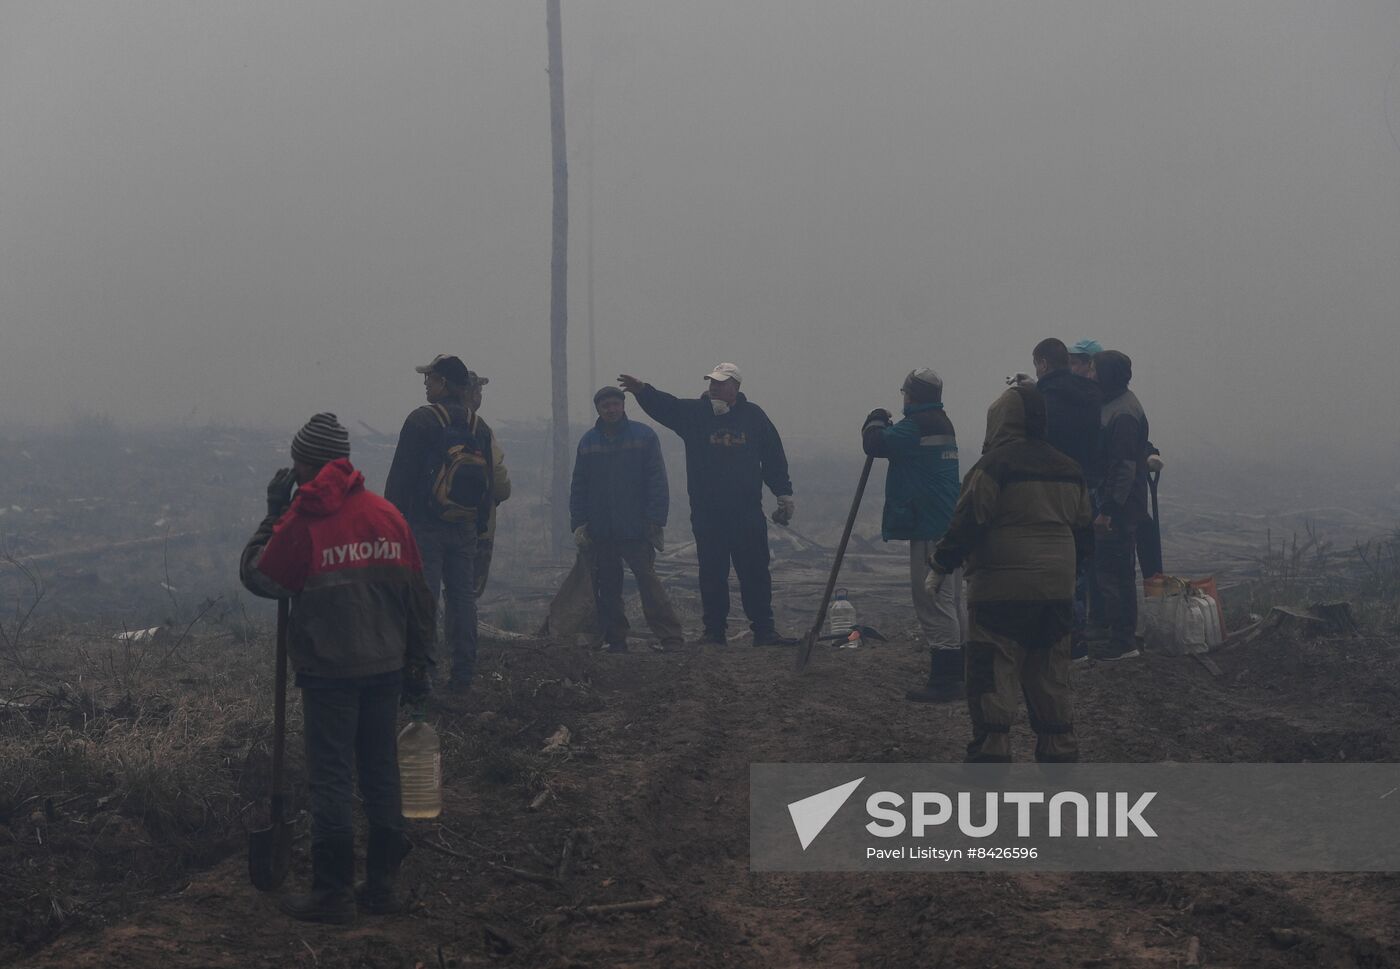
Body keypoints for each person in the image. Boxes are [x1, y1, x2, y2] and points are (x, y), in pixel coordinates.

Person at [240, 413, 434, 923]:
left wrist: (271, 515)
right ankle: (383, 888)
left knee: (330, 779)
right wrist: (419, 664)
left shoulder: (302, 520)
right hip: (387, 666)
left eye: (296, 460)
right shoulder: (388, 515)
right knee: (380, 772)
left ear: (305, 463)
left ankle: (333, 894)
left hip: (330, 672)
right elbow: (419, 598)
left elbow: (259, 575)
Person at [929, 387, 1092, 763]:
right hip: (1056, 589)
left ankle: (991, 752)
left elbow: (968, 520)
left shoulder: (993, 467)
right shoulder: (1069, 468)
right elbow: (1084, 533)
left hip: (1000, 589)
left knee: (993, 667)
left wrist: (941, 565)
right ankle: (1059, 751)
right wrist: (1067, 574)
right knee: (1050, 670)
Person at [618, 363, 797, 646]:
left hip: (747, 512)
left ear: (735, 387)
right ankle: (714, 632)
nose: (714, 386)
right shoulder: (695, 414)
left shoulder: (754, 416)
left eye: (722, 383)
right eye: (712, 382)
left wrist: (783, 493)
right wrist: (642, 391)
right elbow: (667, 407)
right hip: (707, 513)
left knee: (755, 572)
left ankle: (764, 631)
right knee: (712, 573)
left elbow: (773, 455)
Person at [384, 354, 494, 693]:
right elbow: (487, 485)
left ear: (444, 383)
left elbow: (401, 477)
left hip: (424, 526)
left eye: (430, 379)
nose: (425, 384)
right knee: (462, 599)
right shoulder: (480, 426)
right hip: (464, 526)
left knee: (423, 598)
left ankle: (423, 675)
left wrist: (392, 522)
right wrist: (477, 528)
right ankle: (463, 675)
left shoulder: (421, 421)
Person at [860, 368, 965, 703]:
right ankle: (962, 673)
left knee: (932, 600)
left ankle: (946, 680)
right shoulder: (941, 422)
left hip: (929, 526)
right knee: (950, 599)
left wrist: (875, 419)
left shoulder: (917, 425)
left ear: (912, 395)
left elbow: (875, 444)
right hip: (948, 524)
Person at [570, 386, 686, 653]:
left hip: (637, 527)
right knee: (608, 588)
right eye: (605, 405)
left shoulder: (644, 436)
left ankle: (671, 638)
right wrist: (579, 523)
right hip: (602, 529)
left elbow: (657, 480)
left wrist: (656, 519)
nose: (611, 409)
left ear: (623, 406)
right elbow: (579, 485)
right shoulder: (588, 442)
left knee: (649, 583)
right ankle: (616, 639)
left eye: (615, 404)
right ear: (598, 409)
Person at [1027, 338, 1102, 662]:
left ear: (1043, 364)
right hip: (1086, 486)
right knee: (1080, 565)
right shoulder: (1092, 395)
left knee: (1050, 563)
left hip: (1051, 490)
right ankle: (1079, 640)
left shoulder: (1043, 399)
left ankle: (1057, 639)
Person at [1089, 350, 1151, 661]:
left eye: (1095, 370)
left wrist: (1107, 511)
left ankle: (1123, 642)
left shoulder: (1122, 412)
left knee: (1115, 574)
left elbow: (1123, 467)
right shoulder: (1115, 404)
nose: (1090, 375)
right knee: (1115, 572)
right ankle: (1118, 637)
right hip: (1119, 503)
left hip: (1119, 508)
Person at [466, 370, 512, 599]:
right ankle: (463, 633)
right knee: (468, 590)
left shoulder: (430, 420)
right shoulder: (479, 427)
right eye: (479, 391)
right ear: (471, 393)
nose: (480, 396)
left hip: (432, 522)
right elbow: (500, 480)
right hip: (478, 523)